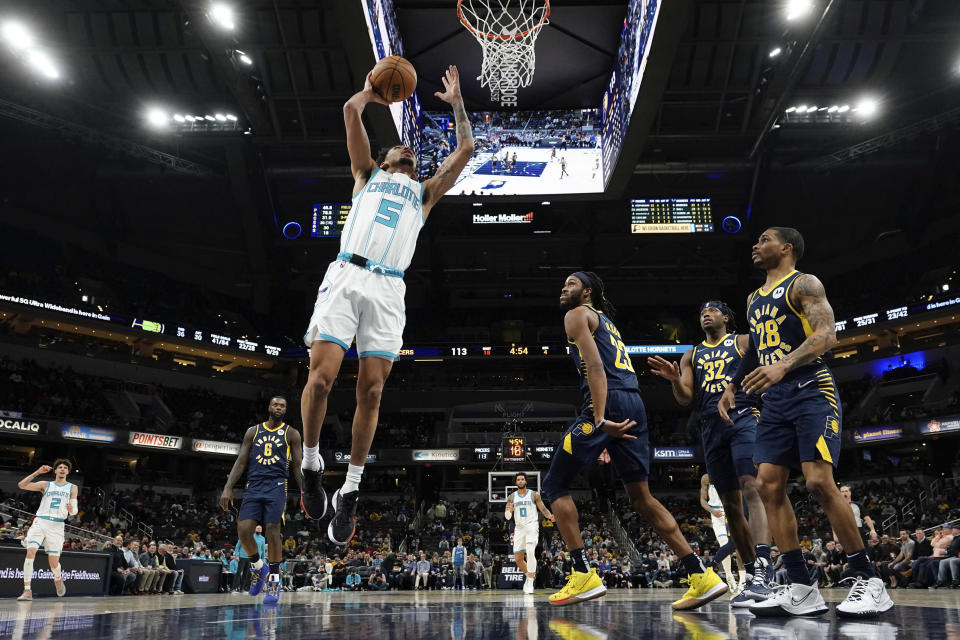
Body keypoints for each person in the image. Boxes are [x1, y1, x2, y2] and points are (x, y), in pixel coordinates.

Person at [299, 64, 474, 550]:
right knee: (319, 379)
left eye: (411, 150)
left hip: (389, 289)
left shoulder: (424, 193)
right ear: (385, 155)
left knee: (372, 392)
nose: (408, 150)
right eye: (401, 147)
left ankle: (350, 490)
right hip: (347, 274)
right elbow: (350, 109)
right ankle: (311, 466)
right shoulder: (366, 174)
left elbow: (465, 150)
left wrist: (456, 102)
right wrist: (374, 93)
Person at [718, 227, 893, 618]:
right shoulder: (752, 298)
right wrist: (732, 385)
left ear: (787, 248)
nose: (755, 244)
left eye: (764, 239)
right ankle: (800, 585)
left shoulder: (804, 283)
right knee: (767, 485)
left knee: (817, 482)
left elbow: (826, 334)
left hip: (812, 387)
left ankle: (870, 579)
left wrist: (782, 365)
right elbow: (758, 350)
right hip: (775, 398)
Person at [542, 272, 726, 608]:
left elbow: (595, 367)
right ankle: (701, 574)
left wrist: (598, 421)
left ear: (586, 292)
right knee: (641, 498)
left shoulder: (576, 315)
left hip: (607, 402)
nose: (562, 288)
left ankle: (583, 574)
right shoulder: (607, 322)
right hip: (635, 402)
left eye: (569, 283)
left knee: (554, 487)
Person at [648, 301, 773, 607]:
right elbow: (685, 398)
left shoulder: (742, 341)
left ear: (726, 317)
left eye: (713, 309)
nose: (705, 313)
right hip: (709, 427)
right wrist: (676, 380)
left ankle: (765, 569)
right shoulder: (692, 352)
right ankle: (751, 575)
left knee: (750, 487)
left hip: (743, 416)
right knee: (730, 504)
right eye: (702, 310)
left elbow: (763, 353)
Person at [219, 396, 303, 605]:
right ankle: (259, 566)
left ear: (285, 410)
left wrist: (304, 494)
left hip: (276, 484)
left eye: (282, 405)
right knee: (244, 530)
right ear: (269, 407)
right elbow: (241, 461)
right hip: (254, 484)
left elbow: (297, 466)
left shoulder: (291, 433)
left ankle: (273, 581)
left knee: (273, 529)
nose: (278, 408)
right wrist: (228, 487)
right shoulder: (253, 431)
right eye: (275, 404)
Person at [16, 460, 78, 600]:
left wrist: (71, 510)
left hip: (57, 525)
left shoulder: (72, 487)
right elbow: (22, 485)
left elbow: (74, 511)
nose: (62, 469)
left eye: (65, 468)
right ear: (55, 471)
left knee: (53, 563)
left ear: (68, 472)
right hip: (41, 521)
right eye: (59, 467)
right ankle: (27, 590)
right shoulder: (45, 484)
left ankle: (58, 578)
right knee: (31, 551)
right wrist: (37, 472)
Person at [505, 471, 555, 594]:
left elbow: (543, 509)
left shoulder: (534, 495)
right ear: (516, 482)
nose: (521, 481)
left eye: (522, 479)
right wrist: (509, 511)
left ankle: (530, 581)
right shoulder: (511, 497)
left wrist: (550, 516)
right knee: (518, 559)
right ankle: (529, 575)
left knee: (530, 551)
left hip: (532, 526)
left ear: (526, 481)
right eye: (518, 480)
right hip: (519, 528)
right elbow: (507, 517)